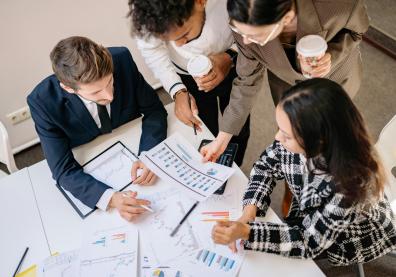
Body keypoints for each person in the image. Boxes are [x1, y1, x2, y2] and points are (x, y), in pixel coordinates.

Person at [211, 78, 396, 265]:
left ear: (317, 140)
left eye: (286, 135)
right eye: (280, 129)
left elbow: (309, 243)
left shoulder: (350, 186)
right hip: (312, 214)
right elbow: (266, 165)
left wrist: (247, 232)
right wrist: (250, 209)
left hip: (350, 237)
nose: (277, 137)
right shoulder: (302, 137)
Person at [27, 36, 167, 221]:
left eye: (110, 82)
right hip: (90, 156)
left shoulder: (122, 59)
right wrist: (110, 198)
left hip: (132, 141)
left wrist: (149, 154)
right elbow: (62, 169)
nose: (109, 95)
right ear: (69, 88)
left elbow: (154, 111)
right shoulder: (42, 102)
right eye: (96, 92)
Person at [128, 0, 250, 165]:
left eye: (184, 34)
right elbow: (152, 50)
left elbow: (253, 22)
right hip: (187, 75)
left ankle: (235, 165)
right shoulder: (146, 10)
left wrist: (231, 55)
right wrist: (177, 90)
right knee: (204, 128)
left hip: (238, 58)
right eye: (167, 40)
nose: (178, 45)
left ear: (200, 2)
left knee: (239, 127)